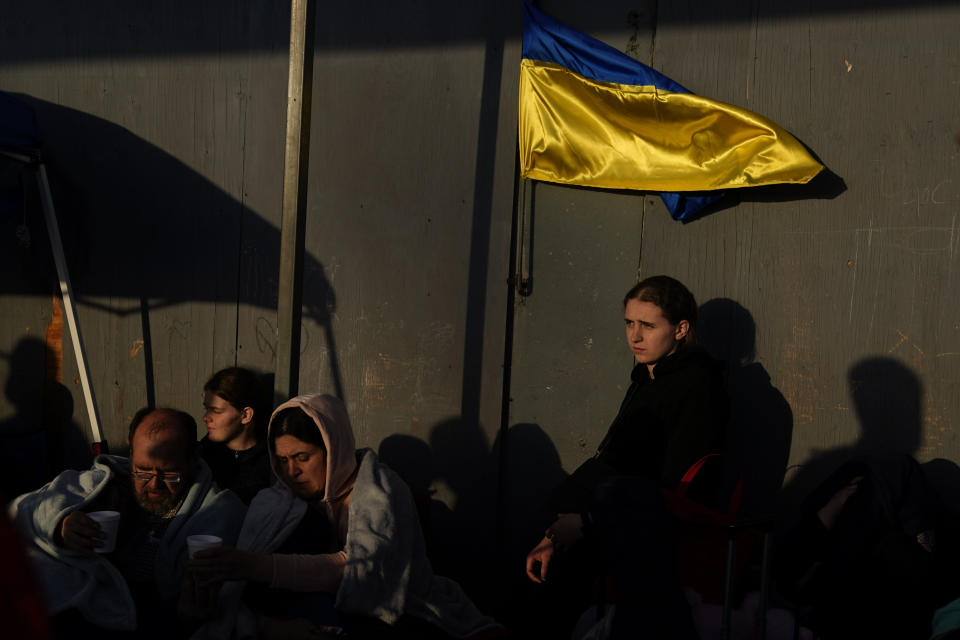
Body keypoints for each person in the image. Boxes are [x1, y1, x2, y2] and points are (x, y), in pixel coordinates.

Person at [188, 394, 500, 640]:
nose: (291, 472)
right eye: (281, 460)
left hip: (395, 611)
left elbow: (360, 571)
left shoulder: (381, 494)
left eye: (302, 458)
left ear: (333, 448)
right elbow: (249, 591)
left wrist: (251, 565)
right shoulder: (279, 501)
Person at [523, 275, 728, 639]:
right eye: (629, 323)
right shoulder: (649, 378)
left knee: (547, 594)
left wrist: (582, 521)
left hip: (650, 531)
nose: (634, 336)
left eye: (648, 325)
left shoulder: (695, 384)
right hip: (610, 515)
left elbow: (669, 482)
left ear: (681, 329)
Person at [9, 407, 247, 637]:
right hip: (77, 609)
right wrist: (60, 524)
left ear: (194, 458)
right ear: (131, 453)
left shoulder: (218, 513)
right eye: (142, 471)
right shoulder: (102, 485)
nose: (154, 485)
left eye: (169, 474)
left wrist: (186, 618)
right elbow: (20, 510)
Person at [199, 367, 273, 504]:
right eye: (206, 408)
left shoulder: (273, 463)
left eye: (216, 411)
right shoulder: (199, 459)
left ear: (245, 415)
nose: (206, 417)